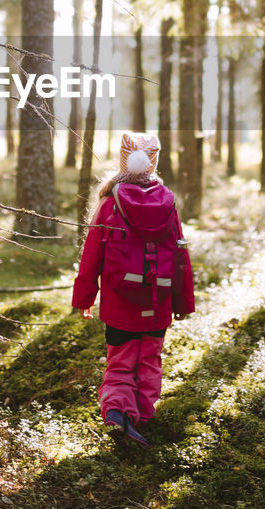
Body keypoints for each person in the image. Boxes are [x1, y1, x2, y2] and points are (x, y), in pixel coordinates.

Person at [72, 132, 195, 447]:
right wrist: (183, 302)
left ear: (123, 159)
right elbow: (180, 254)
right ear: (155, 160)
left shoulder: (110, 203)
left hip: (119, 304)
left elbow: (91, 256)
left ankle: (117, 414)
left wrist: (85, 298)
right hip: (158, 301)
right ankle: (138, 418)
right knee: (149, 359)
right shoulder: (167, 202)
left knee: (121, 360)